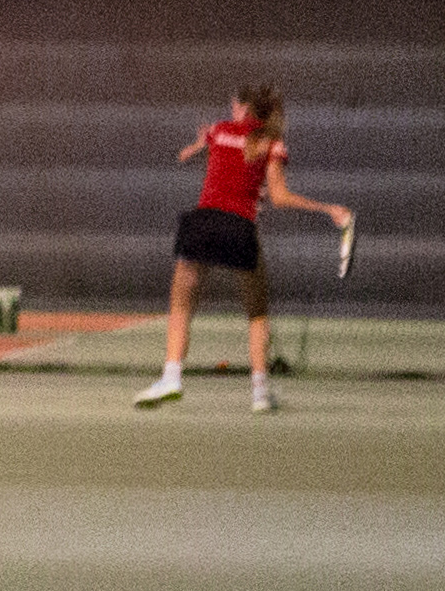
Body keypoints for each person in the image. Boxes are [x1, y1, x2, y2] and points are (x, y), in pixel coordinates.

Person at [141, 83, 348, 412]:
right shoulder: (271, 143)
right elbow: (279, 197)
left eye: (233, 106)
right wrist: (328, 209)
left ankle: (171, 377)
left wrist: (199, 143)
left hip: (203, 223)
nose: (231, 111)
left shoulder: (219, 131)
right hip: (240, 227)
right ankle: (260, 392)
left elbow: (187, 154)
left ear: (242, 108)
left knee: (181, 304)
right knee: (257, 314)